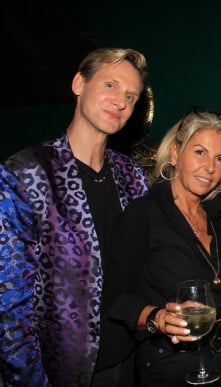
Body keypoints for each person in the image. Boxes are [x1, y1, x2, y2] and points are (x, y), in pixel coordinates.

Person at [0, 48, 150, 386]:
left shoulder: (134, 177)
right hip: (61, 372)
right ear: (78, 83)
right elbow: (9, 304)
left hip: (130, 362)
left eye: (131, 95)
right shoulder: (26, 172)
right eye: (110, 86)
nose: (121, 101)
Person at [98, 106, 221, 387]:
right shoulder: (143, 215)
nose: (210, 167)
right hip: (170, 367)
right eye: (200, 152)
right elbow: (115, 298)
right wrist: (158, 318)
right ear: (176, 153)